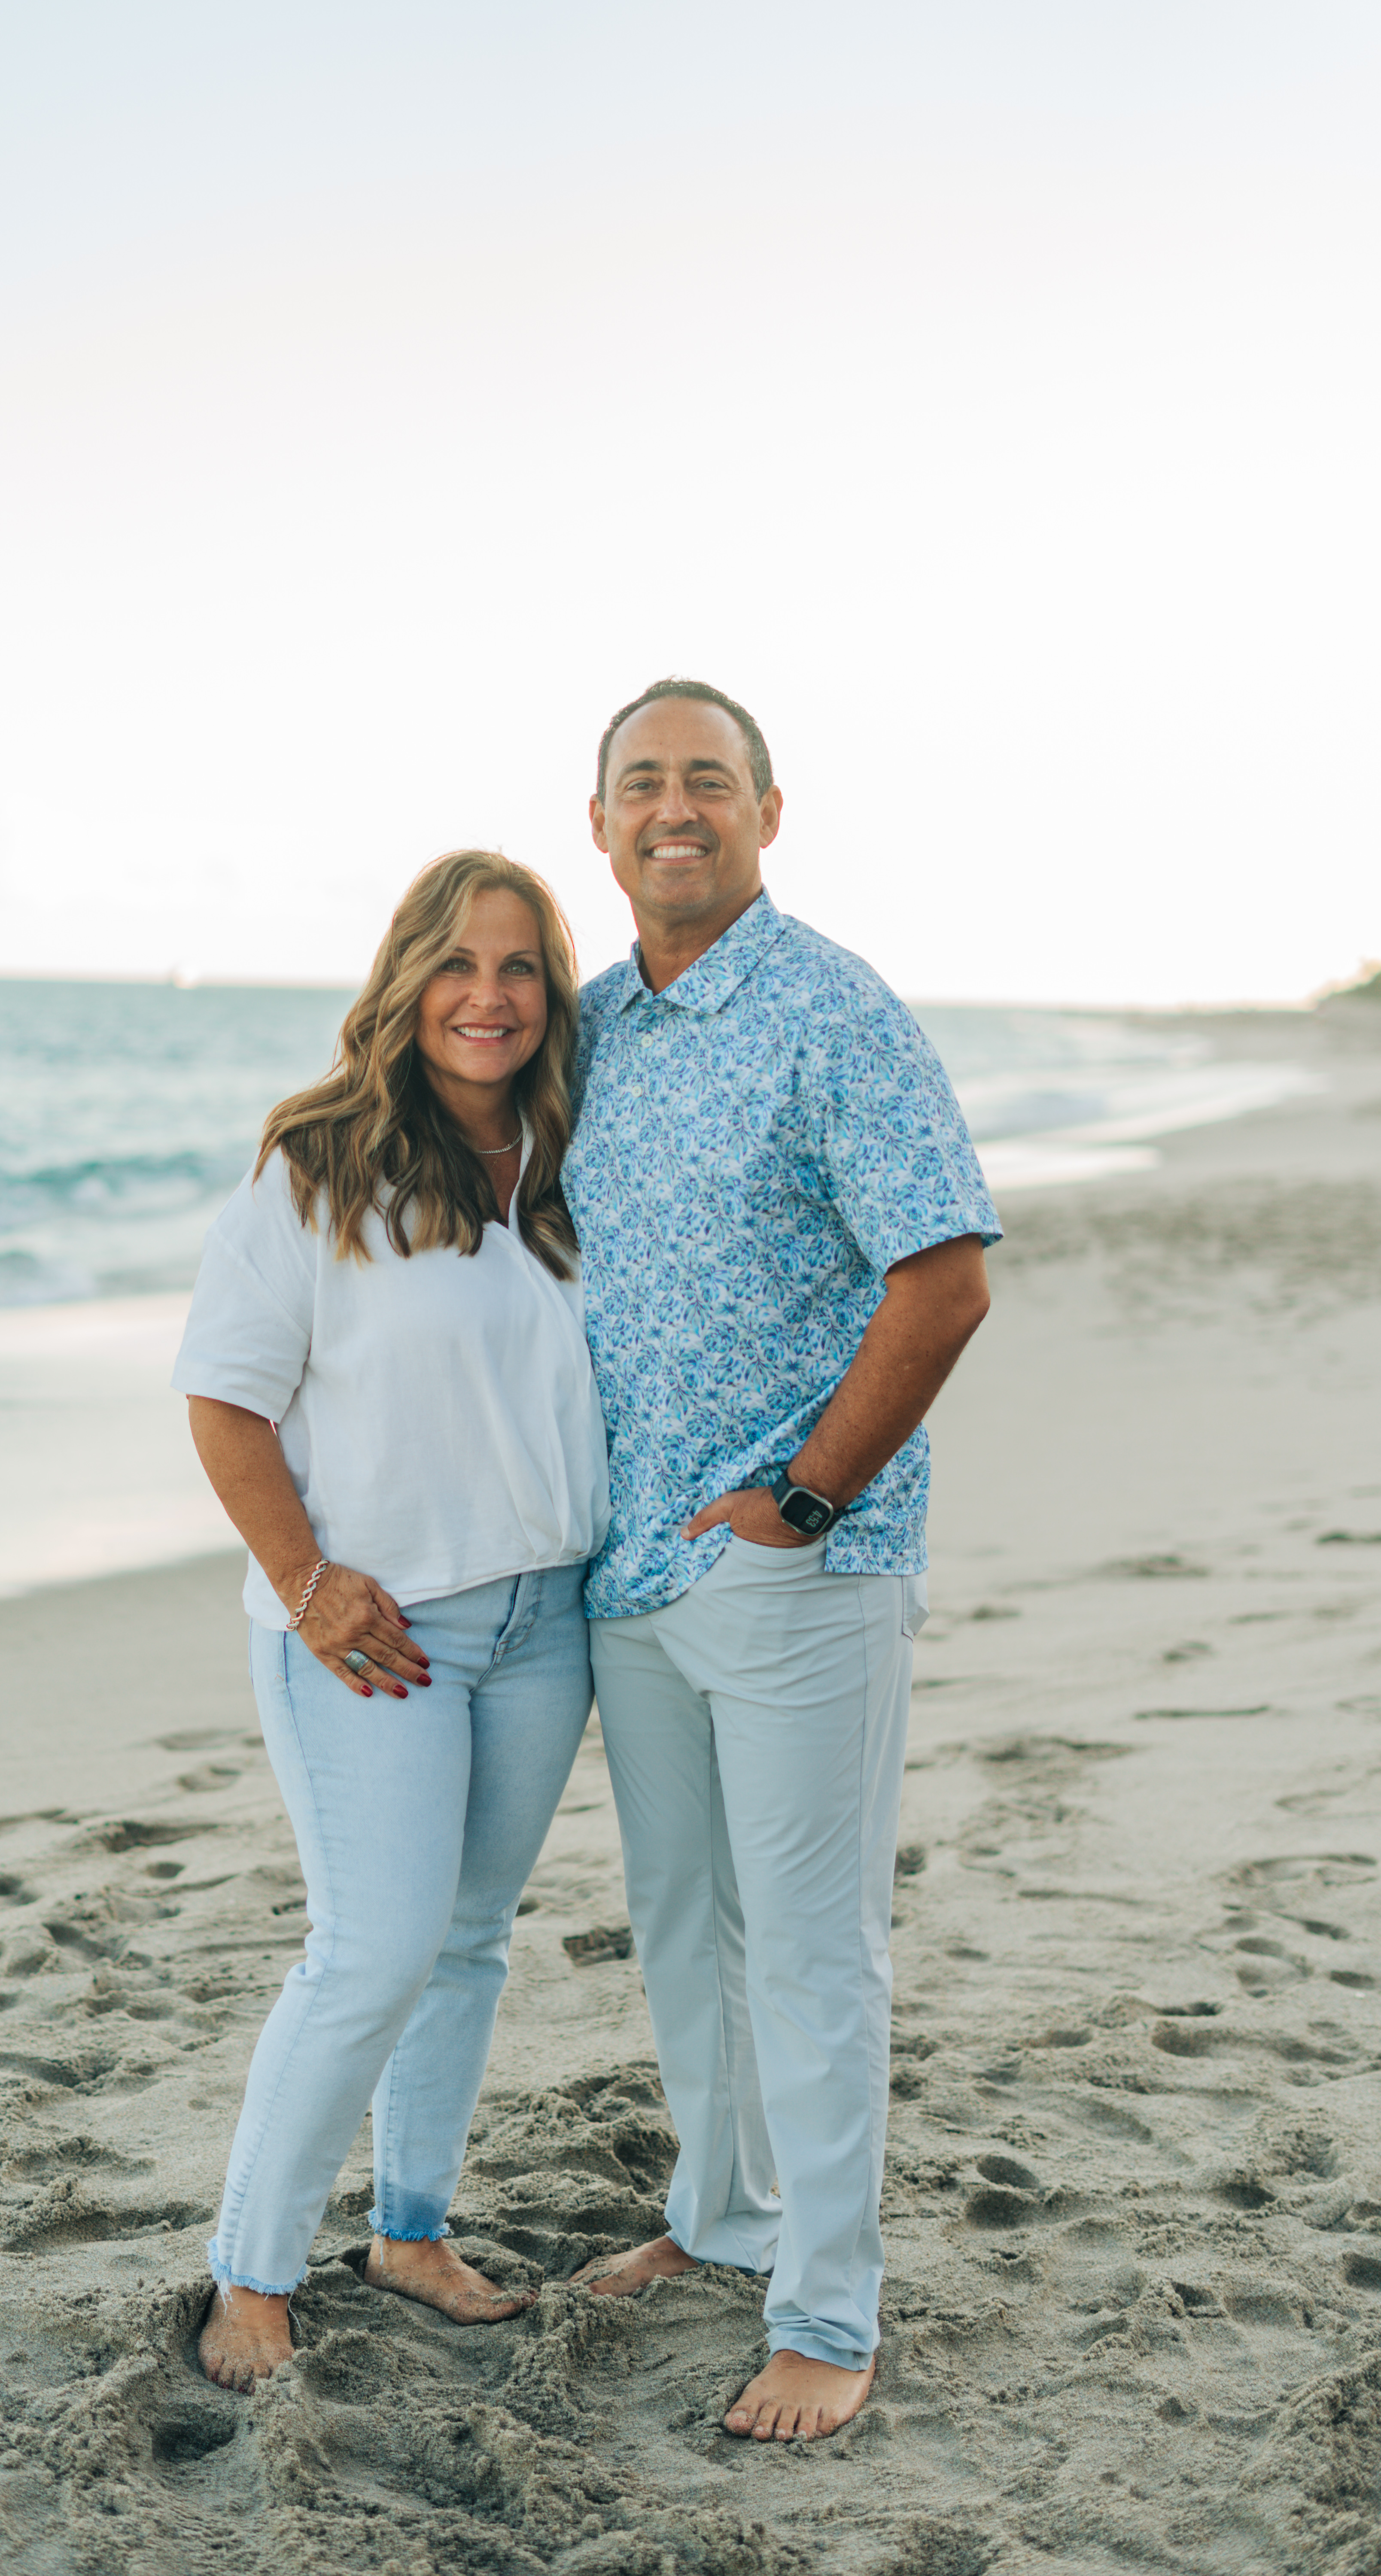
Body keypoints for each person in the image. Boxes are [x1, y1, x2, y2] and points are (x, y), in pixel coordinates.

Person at [560, 678, 1000, 2442]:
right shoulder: (590, 1026)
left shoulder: (834, 1010)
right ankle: (722, 2217)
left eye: (708, 782)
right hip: (626, 1570)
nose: (676, 809)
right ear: (598, 824)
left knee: (812, 1954)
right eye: (642, 784)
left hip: (799, 1561)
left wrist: (806, 1498)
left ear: (765, 811)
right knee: (685, 1925)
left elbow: (944, 1275)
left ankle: (826, 2312)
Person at [172, 849, 608, 2393]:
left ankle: (412, 2233)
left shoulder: (573, 1164)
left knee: (471, 1944)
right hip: (371, 1629)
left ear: (553, 994)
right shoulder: (320, 1161)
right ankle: (252, 2276)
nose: (488, 998)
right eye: (458, 965)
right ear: (407, 979)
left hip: (546, 1621)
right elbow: (224, 1402)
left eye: (520, 969)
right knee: (372, 1950)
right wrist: (307, 1583)